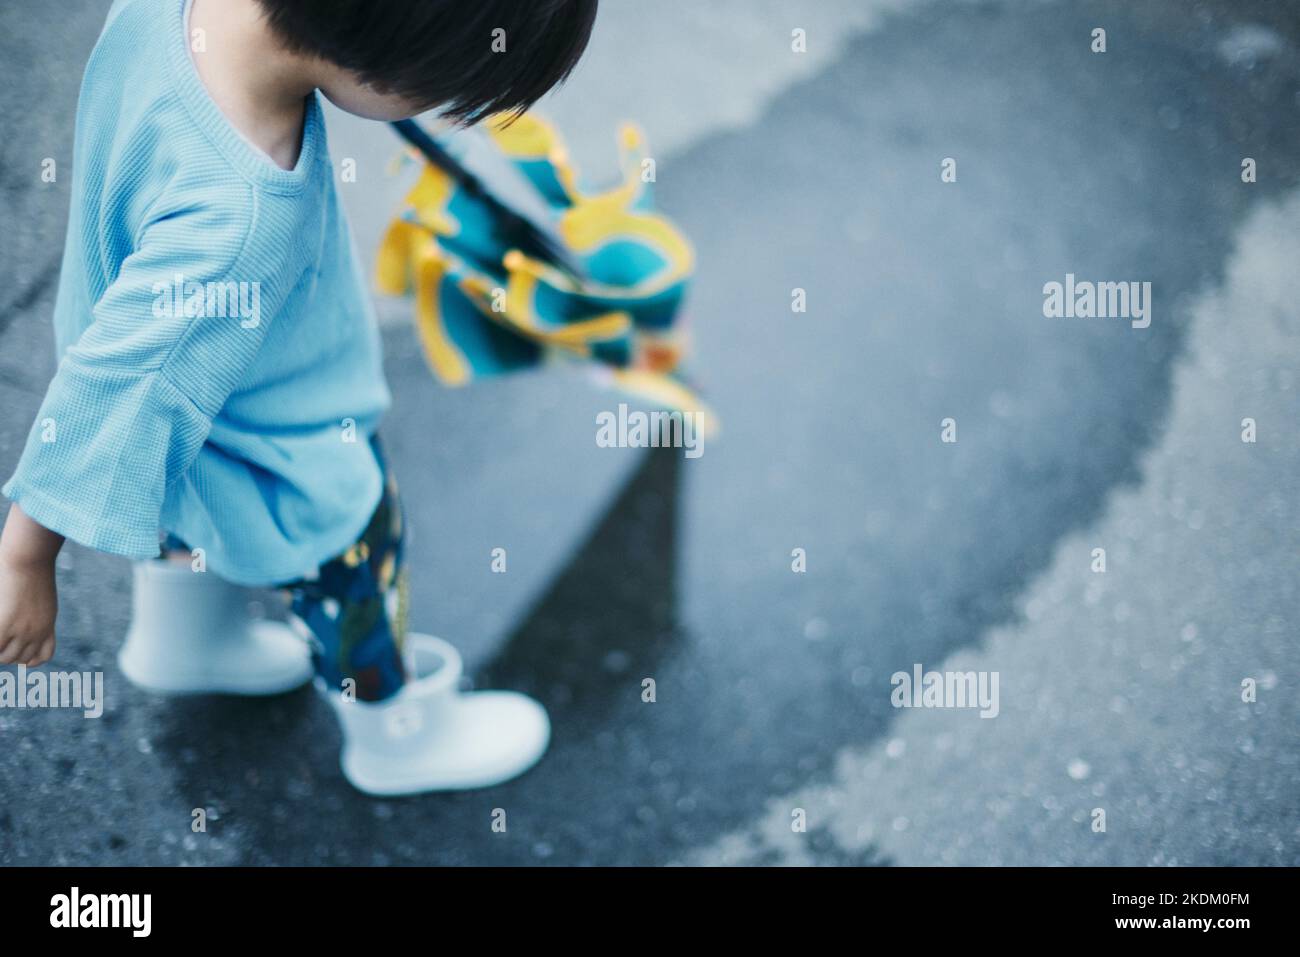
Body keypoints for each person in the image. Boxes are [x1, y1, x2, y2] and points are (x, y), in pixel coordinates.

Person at [0, 0, 598, 795]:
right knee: (357, 555)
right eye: (443, 98)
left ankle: (187, 641)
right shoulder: (239, 216)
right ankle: (396, 737)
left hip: (172, 388)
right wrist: (26, 555)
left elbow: (140, 380)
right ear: (381, 67)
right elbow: (121, 387)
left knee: (183, 503)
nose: (446, 121)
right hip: (280, 439)